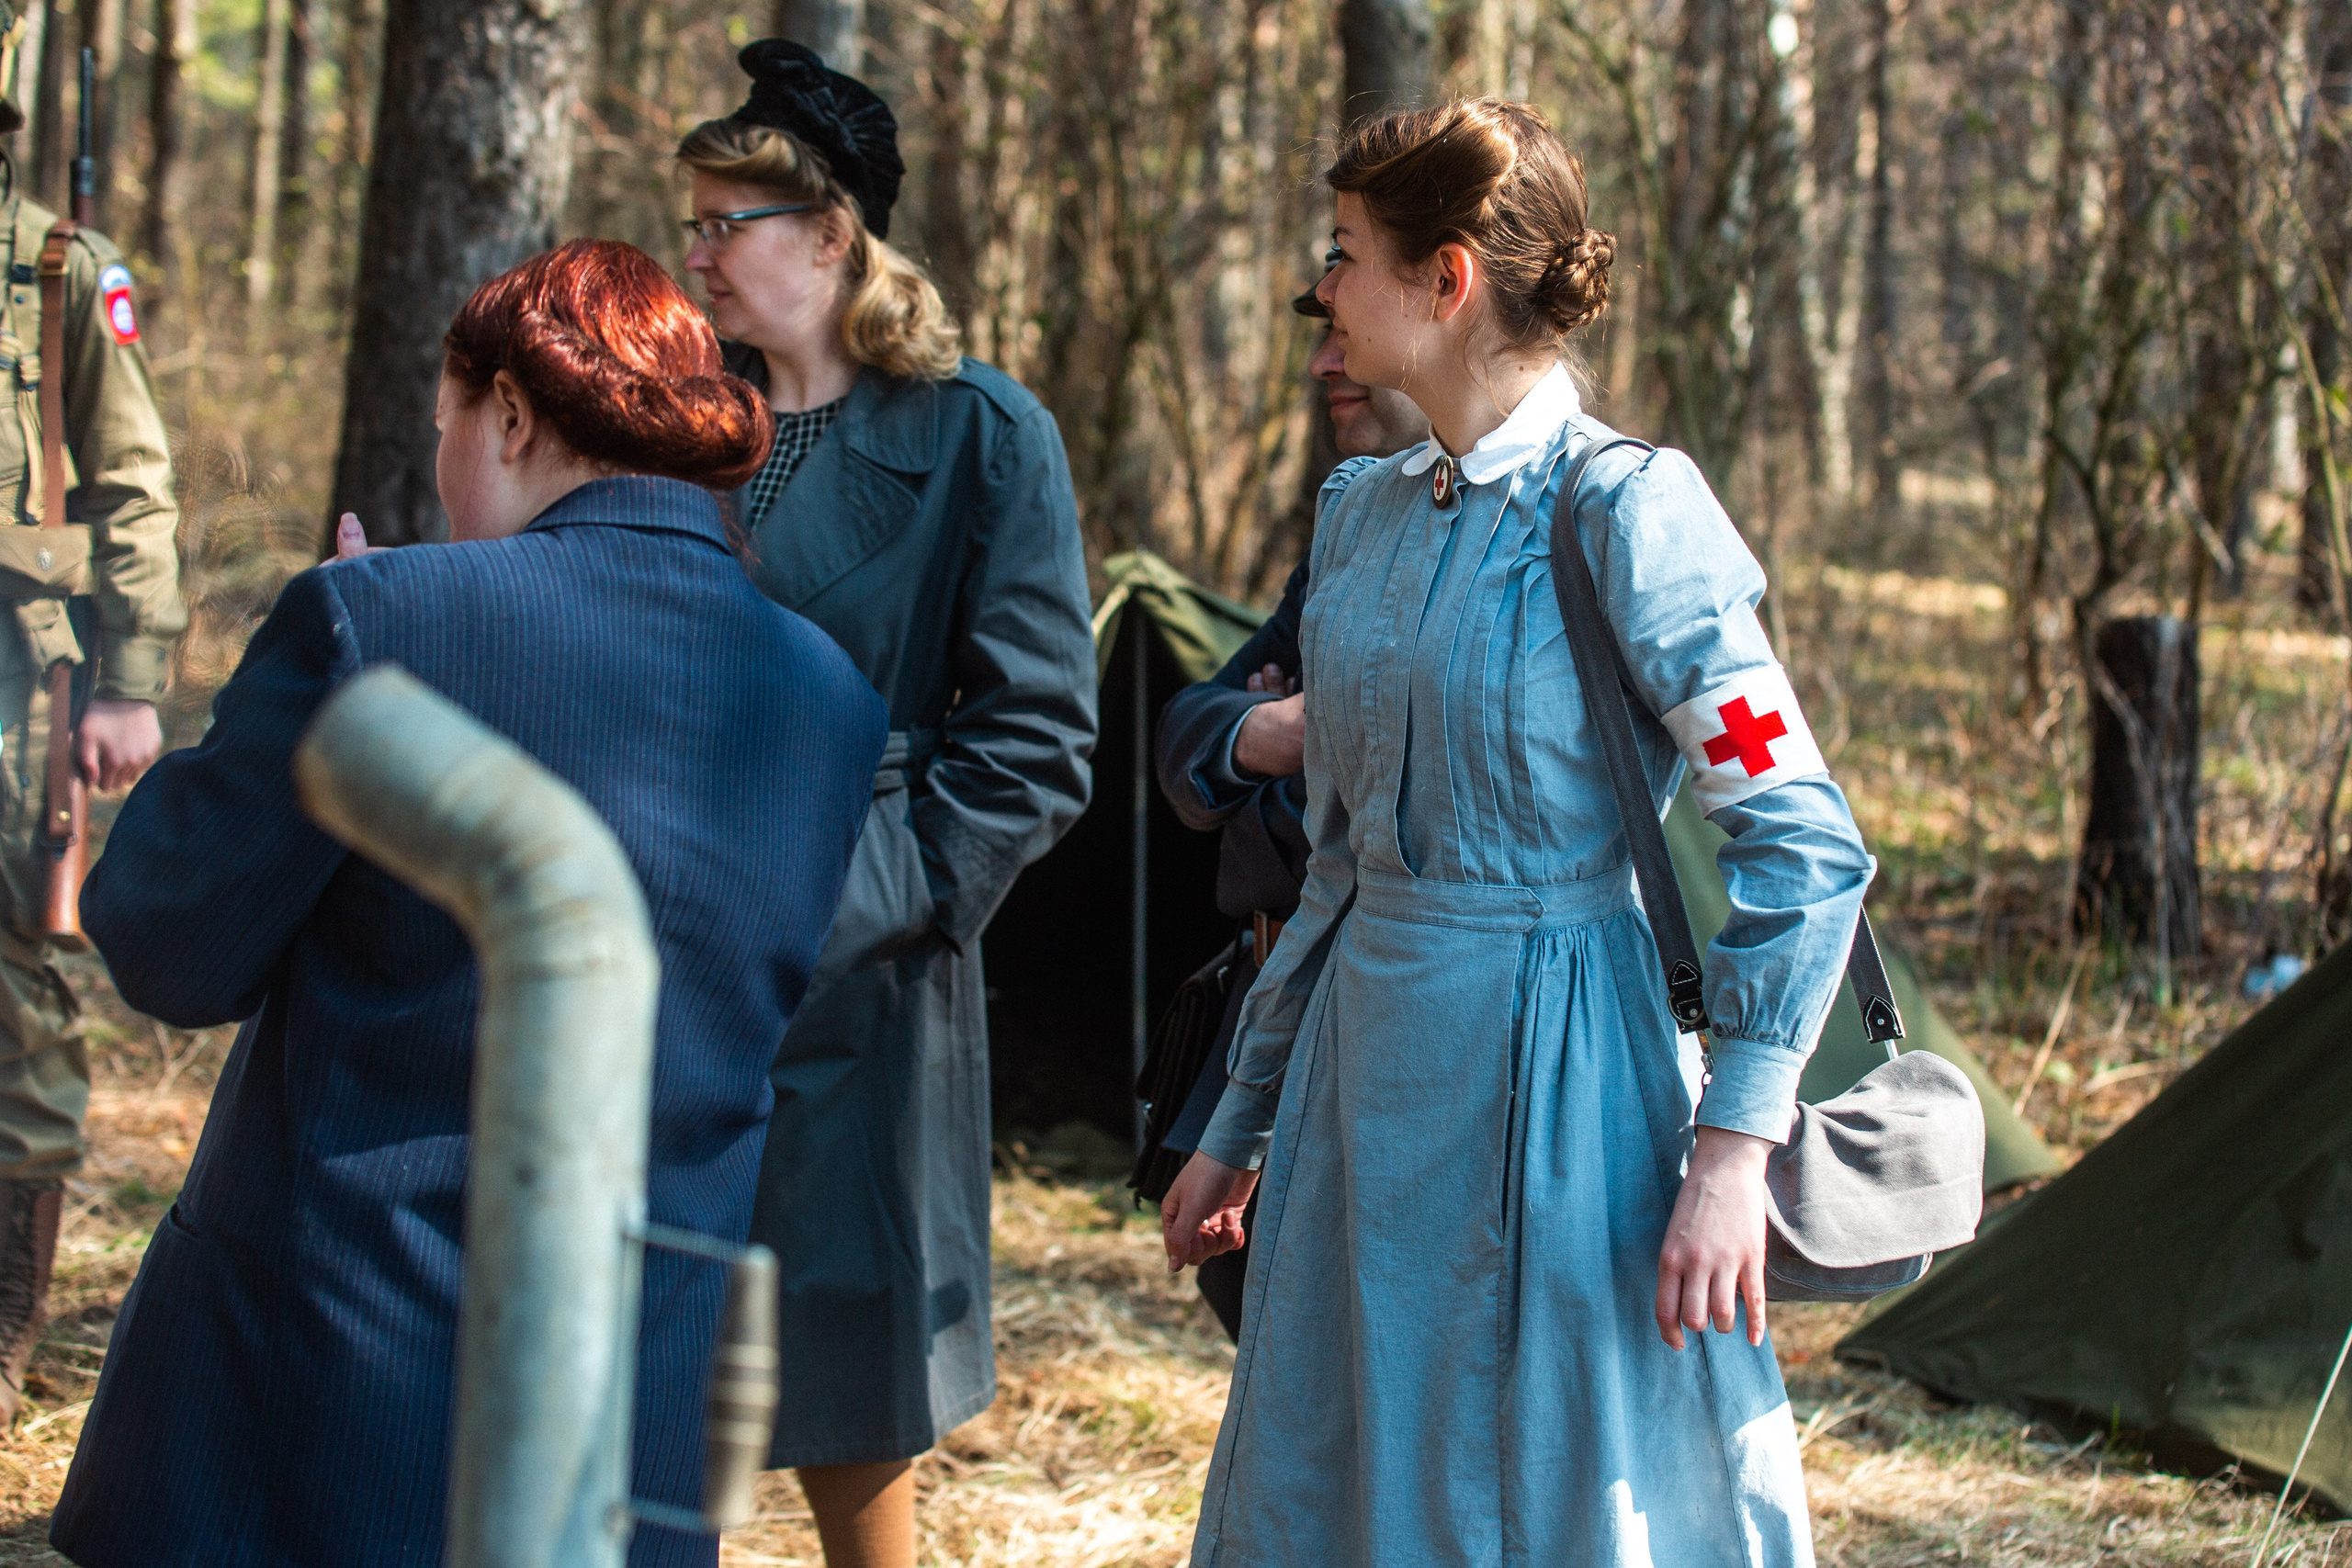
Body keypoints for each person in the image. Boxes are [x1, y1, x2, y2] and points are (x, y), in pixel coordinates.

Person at [46, 241, 888, 1568]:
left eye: (445, 420)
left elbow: (164, 939)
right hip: (641, 1420)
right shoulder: (834, 697)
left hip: (328, 1404)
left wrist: (340, 644)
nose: (444, 459)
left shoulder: (382, 623)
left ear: (506, 411)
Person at [1161, 101, 1874, 1566]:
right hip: (1365, 1095)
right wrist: (1239, 1119)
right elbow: (1345, 866)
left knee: (1557, 1490)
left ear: (1448, 281)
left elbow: (1799, 834)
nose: (1324, 292)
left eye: (1347, 256)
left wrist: (1735, 1141)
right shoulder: (1362, 514)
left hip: (1570, 1094)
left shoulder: (1632, 514)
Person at [674, 41, 1096, 1568]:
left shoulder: (981, 433)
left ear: (834, 235)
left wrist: (852, 896)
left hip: (865, 952)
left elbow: (1038, 740)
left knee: (847, 1362)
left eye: (732, 222)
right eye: (697, 221)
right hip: (653, 931)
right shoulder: (672, 415)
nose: (699, 251)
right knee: (662, 1339)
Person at [1151, 283, 1427, 1338]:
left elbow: (1342, 823)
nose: (1321, 365)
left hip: (1407, 1031)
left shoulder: (1589, 518)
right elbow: (1191, 737)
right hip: (1272, 1014)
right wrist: (1269, 735)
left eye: (1339, 334)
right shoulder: (1352, 524)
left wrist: (1285, 782)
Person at [0, 3, 186, 1419]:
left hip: (10, 681)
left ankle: (1, 1337)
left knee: (19, 1000)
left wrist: (129, 679)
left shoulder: (56, 269)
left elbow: (130, 481)